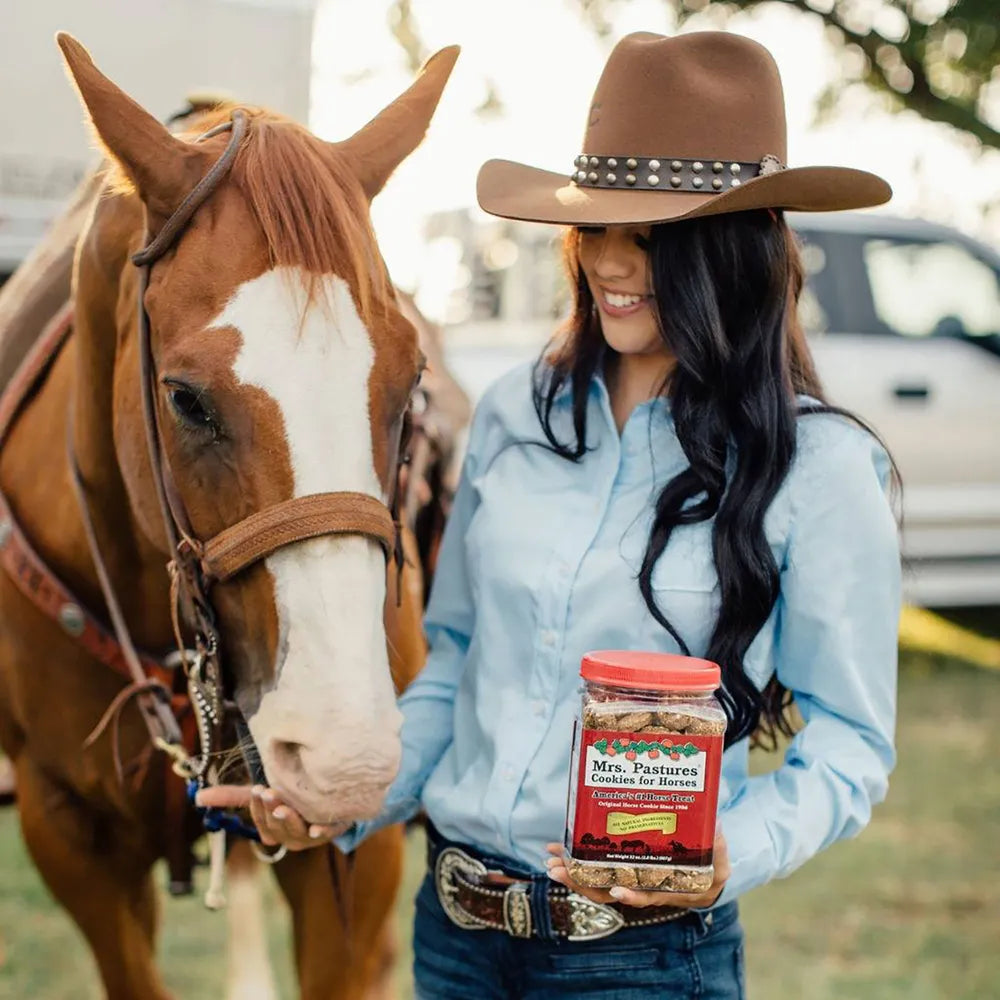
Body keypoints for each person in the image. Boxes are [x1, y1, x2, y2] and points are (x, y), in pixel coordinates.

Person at [200, 30, 902, 999]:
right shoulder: (512, 414)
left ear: (728, 250)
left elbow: (851, 741)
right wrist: (337, 805)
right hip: (455, 935)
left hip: (643, 959)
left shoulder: (819, 468)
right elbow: (455, 663)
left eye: (648, 237)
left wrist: (725, 852)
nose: (609, 262)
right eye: (595, 228)